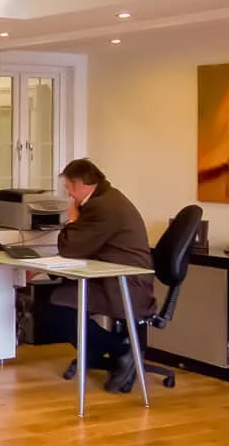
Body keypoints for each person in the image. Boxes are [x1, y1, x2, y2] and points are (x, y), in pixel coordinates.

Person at [35, 158, 155, 394]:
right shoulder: (108, 199)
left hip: (125, 286)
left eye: (69, 188)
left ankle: (120, 351)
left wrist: (72, 219)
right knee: (57, 299)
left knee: (53, 306)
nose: (69, 195)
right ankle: (113, 354)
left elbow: (71, 247)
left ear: (79, 184)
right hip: (114, 280)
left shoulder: (101, 207)